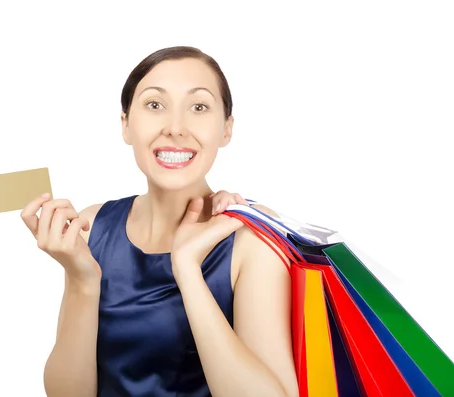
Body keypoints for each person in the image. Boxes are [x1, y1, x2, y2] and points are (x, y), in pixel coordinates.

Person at [21, 46, 298, 397]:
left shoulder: (250, 236)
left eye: (199, 107)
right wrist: (82, 279)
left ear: (226, 129)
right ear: (125, 124)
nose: (176, 128)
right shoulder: (92, 226)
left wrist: (188, 271)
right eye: (155, 105)